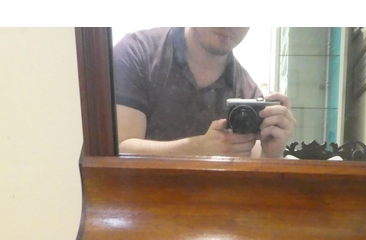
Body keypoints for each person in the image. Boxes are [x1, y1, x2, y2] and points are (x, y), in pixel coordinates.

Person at [113, 27, 296, 158]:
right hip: (138, 206)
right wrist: (198, 149)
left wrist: (271, 155)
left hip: (212, 209)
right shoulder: (137, 52)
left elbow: (251, 173)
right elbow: (118, 149)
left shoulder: (246, 92)